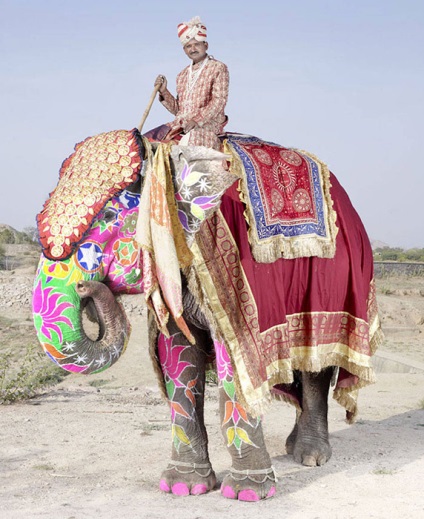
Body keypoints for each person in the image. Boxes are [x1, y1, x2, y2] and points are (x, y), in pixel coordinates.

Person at [154, 16, 229, 150]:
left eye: (197, 44)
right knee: (150, 142)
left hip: (206, 125)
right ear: (184, 50)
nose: (193, 49)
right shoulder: (182, 75)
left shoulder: (218, 68)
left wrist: (197, 120)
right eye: (188, 46)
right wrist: (164, 91)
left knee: (189, 144)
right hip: (181, 125)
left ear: (205, 45)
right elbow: (179, 111)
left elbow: (219, 101)